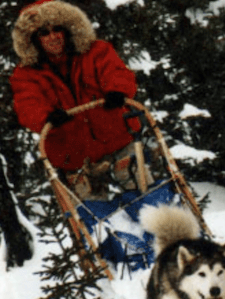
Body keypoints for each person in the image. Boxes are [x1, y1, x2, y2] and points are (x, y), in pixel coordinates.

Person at [10, 0, 143, 200]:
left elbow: (116, 72)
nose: (53, 37)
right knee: (91, 215)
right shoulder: (25, 74)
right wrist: (46, 117)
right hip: (72, 154)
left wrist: (117, 91)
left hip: (117, 137)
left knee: (144, 188)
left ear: (68, 30)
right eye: (44, 33)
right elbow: (27, 103)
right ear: (33, 39)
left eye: (57, 29)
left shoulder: (96, 51)